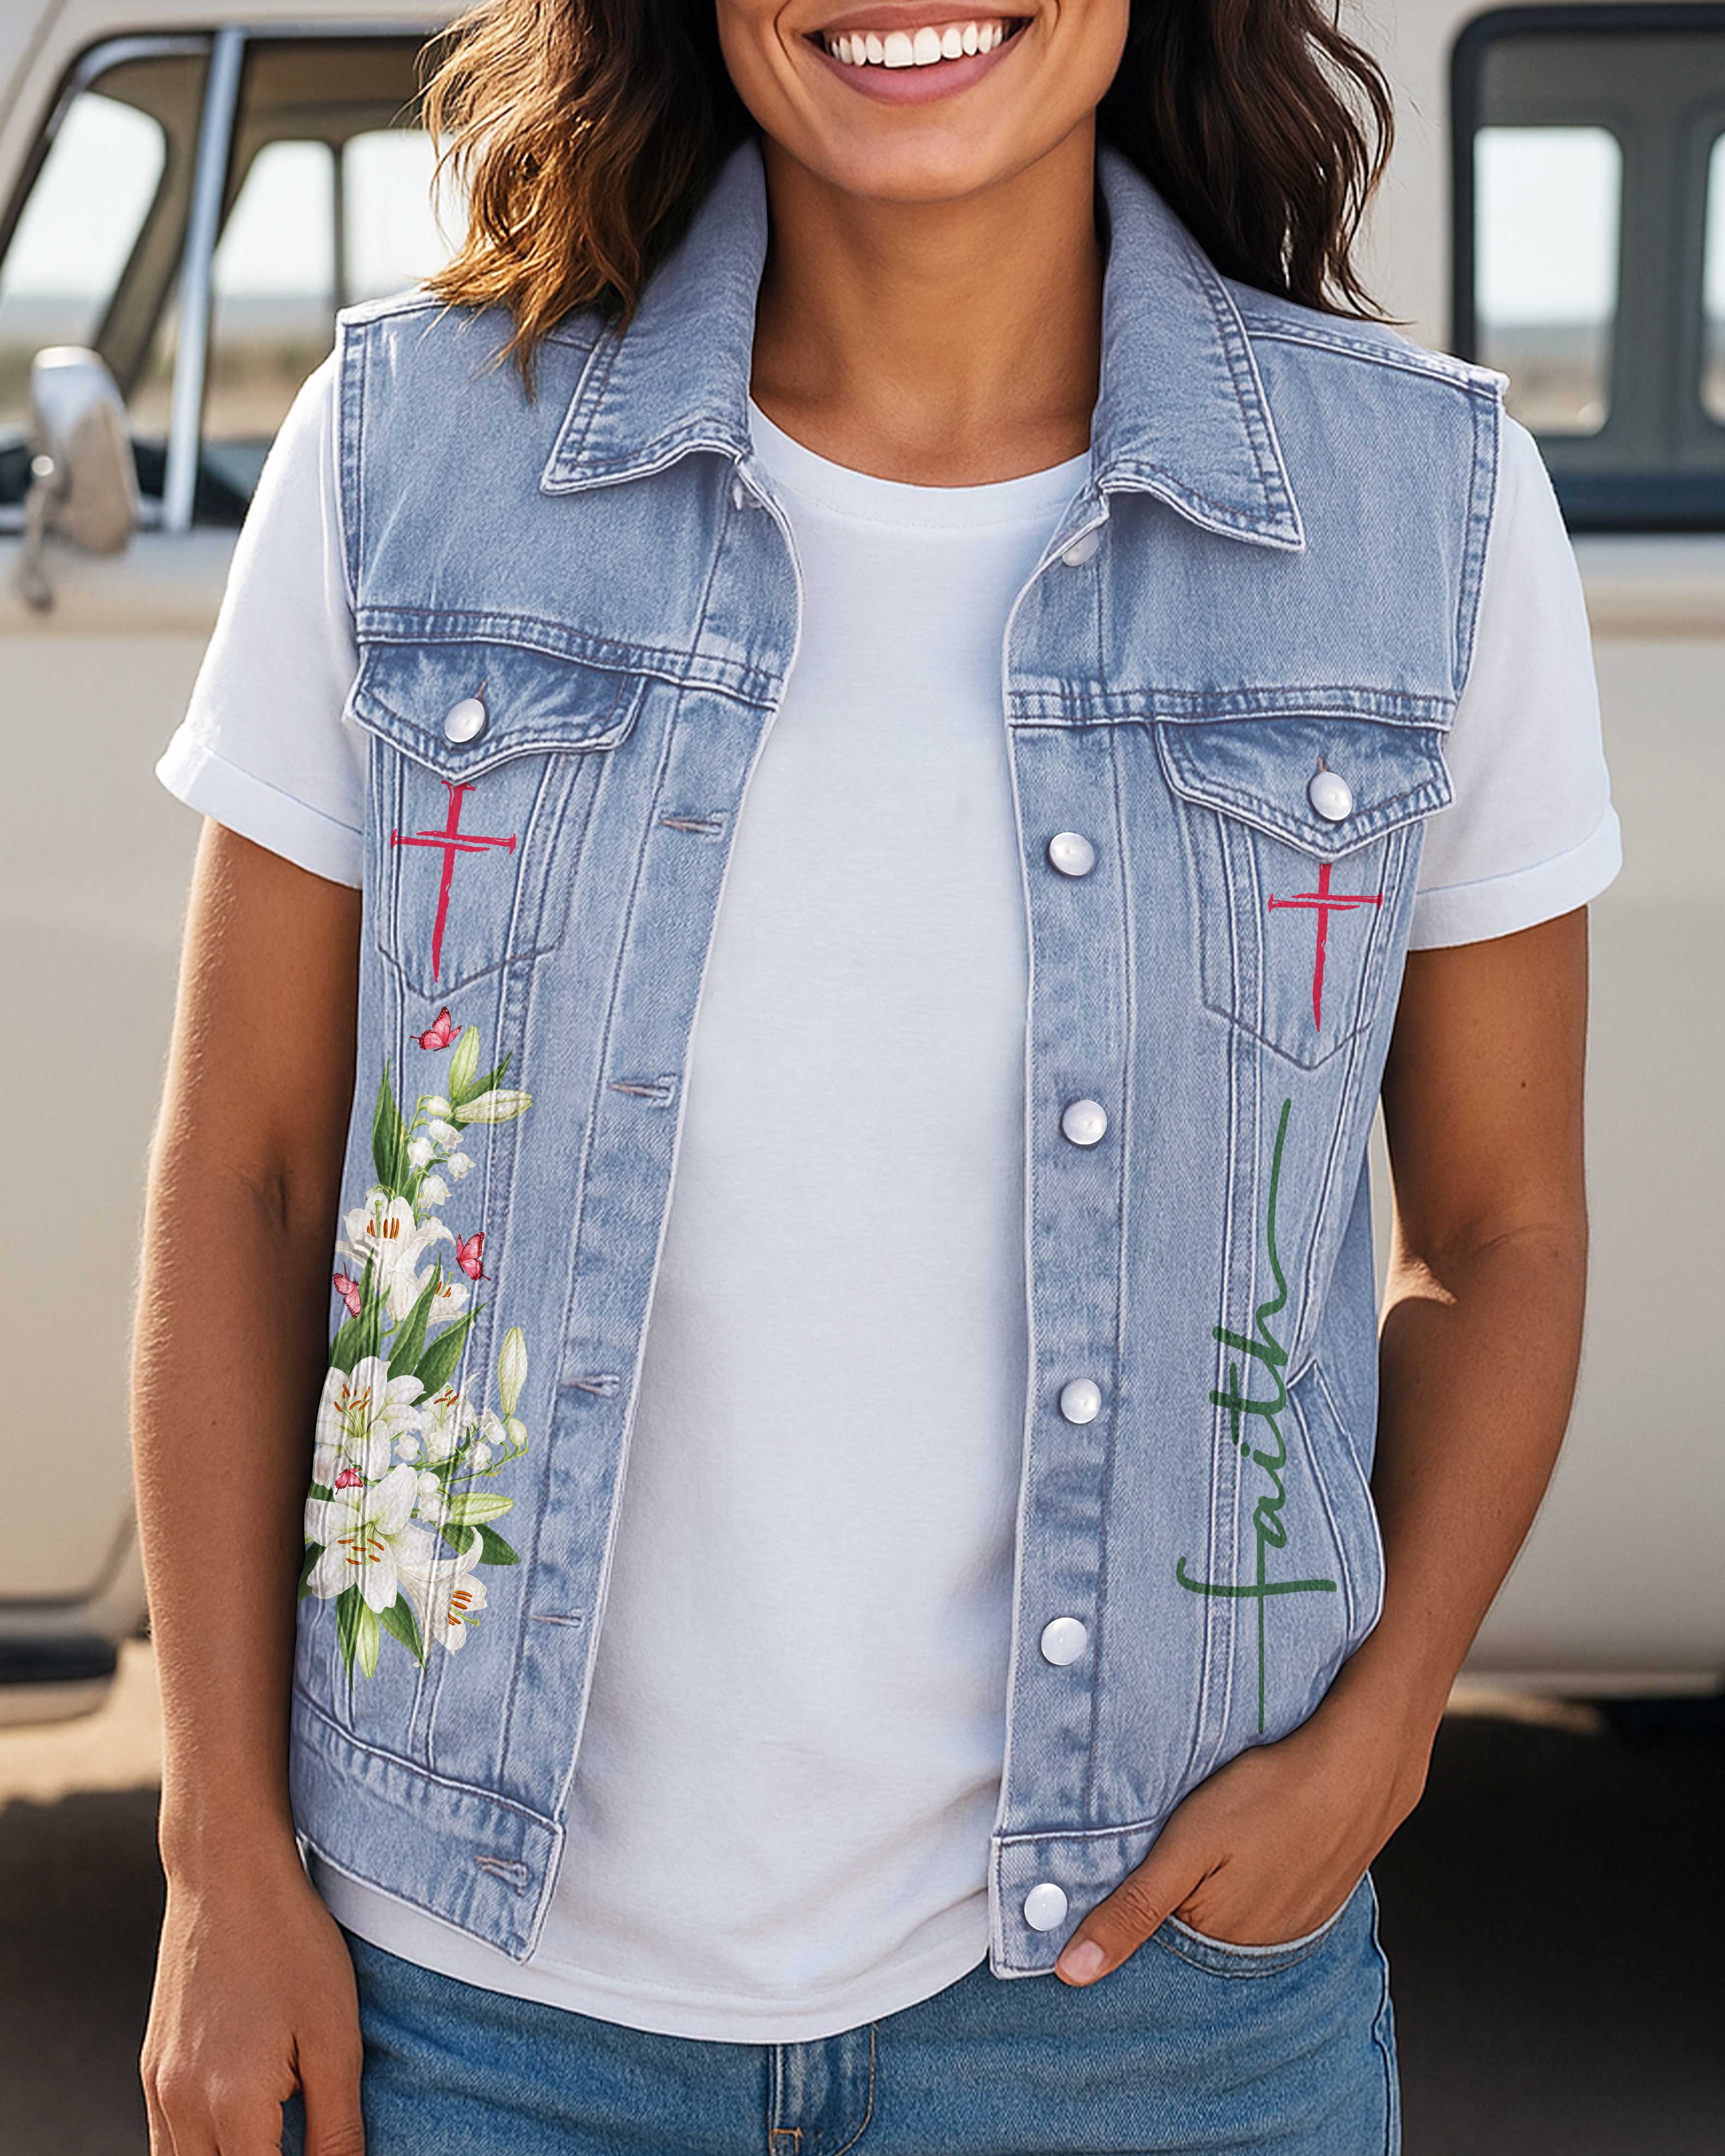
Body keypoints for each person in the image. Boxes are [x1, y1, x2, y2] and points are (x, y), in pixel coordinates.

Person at [130, 0, 1620, 2143]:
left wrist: (1383, 1739)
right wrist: (217, 1852)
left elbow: (1500, 1229)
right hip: (472, 2021)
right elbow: (250, 1181)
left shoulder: (1423, 516)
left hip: (1151, 2027)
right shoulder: (408, 459)